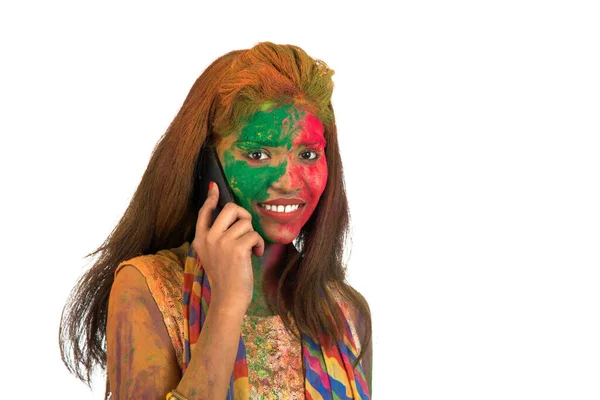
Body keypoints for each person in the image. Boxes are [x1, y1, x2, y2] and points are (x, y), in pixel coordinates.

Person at [59, 41, 372, 399]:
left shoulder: (344, 312)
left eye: (308, 154)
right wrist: (226, 304)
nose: (288, 181)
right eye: (257, 154)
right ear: (207, 162)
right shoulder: (148, 288)